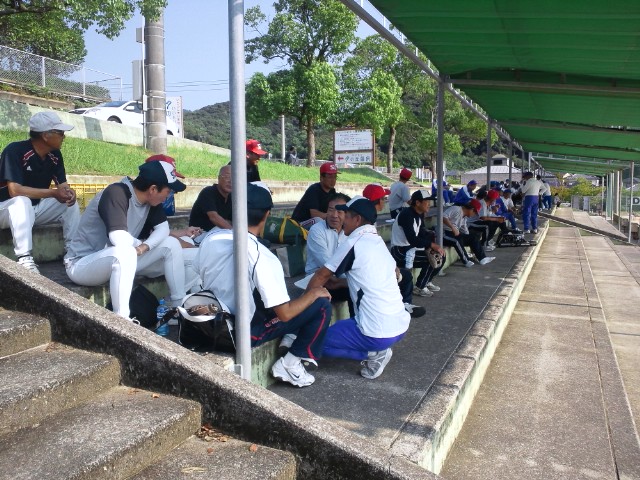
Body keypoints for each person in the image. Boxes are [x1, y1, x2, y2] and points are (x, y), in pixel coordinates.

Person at [196, 183, 332, 387]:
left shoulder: (211, 238)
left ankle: (290, 340)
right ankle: (290, 364)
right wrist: (313, 294)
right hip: (242, 332)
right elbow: (285, 314)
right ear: (267, 215)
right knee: (321, 304)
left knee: (280, 300)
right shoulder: (263, 256)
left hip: (212, 321)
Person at [65, 160, 188, 321]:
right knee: (125, 252)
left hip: (121, 260)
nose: (169, 195)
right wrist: (140, 246)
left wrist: (145, 247)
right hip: (82, 264)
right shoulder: (117, 192)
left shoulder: (151, 201)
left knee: (171, 244)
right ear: (153, 189)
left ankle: (177, 309)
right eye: (168, 191)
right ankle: (122, 321)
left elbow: (163, 229)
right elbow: (118, 238)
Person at [307, 197, 410, 379]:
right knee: (340, 327)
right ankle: (377, 349)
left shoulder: (354, 242)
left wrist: (301, 305)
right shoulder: (377, 241)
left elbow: (321, 276)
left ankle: (374, 353)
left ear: (357, 219)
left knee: (313, 342)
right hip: (399, 326)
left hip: (376, 332)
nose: (341, 219)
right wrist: (340, 283)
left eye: (345, 215)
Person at [0, 111, 80, 274]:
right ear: (45, 135)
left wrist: (68, 193)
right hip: (6, 209)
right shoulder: (15, 150)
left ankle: (73, 252)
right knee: (22, 201)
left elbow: (62, 186)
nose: (64, 136)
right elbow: (14, 190)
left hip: (33, 210)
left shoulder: (55, 155)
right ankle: (24, 258)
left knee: (69, 203)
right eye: (60, 133)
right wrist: (53, 193)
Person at [390, 190, 446, 297]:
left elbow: (421, 233)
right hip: (400, 251)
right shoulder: (406, 214)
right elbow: (412, 239)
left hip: (410, 249)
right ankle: (419, 287)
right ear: (417, 203)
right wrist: (431, 245)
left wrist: (431, 245)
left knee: (441, 255)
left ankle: (426, 282)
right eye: (426, 201)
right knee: (431, 259)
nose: (429, 204)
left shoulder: (419, 214)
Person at [442, 200, 495, 267]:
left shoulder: (464, 217)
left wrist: (473, 244)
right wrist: (453, 227)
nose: (474, 214)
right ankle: (466, 261)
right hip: (444, 233)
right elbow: (443, 217)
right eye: (475, 212)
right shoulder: (456, 209)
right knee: (457, 241)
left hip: (454, 233)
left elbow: (465, 232)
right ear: (471, 209)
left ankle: (482, 258)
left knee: (473, 237)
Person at [291, 163, 339, 228]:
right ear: (321, 178)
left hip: (317, 223)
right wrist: (332, 216)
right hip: (299, 224)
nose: (333, 180)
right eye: (330, 177)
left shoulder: (332, 191)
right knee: (318, 220)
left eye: (335, 177)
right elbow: (314, 214)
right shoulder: (314, 190)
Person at [189, 165, 232, 235]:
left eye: (234, 178)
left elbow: (233, 220)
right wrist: (234, 232)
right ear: (219, 178)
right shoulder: (208, 192)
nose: (231, 181)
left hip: (220, 233)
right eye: (227, 177)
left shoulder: (233, 197)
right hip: (200, 234)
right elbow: (214, 217)